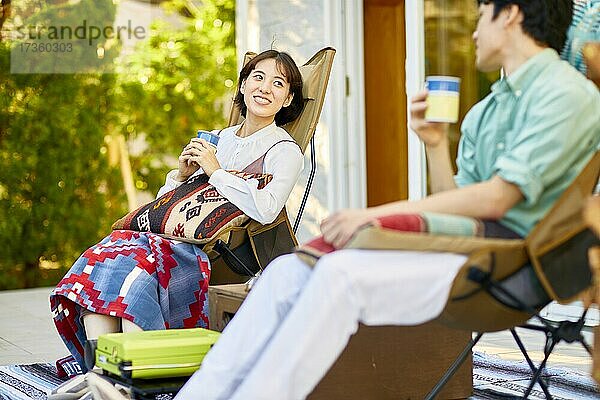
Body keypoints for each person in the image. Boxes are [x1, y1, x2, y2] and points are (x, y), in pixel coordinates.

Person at [174, 1, 600, 399]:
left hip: (516, 262)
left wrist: (374, 214)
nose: (472, 31)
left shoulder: (567, 94)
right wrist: (434, 145)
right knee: (285, 273)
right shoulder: (485, 111)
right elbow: (462, 204)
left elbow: (498, 199)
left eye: (483, 11)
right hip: (471, 247)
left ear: (510, 15)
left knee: (339, 277)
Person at [49, 49, 305, 374]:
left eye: (278, 83)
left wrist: (216, 173)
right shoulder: (220, 138)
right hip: (169, 238)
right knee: (105, 254)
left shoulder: (284, 150)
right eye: (258, 77)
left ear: (287, 99)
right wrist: (181, 177)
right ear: (242, 87)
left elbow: (268, 209)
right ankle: (106, 370)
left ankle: (138, 372)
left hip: (213, 250)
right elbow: (166, 208)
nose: (265, 88)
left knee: (134, 266)